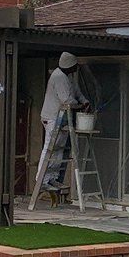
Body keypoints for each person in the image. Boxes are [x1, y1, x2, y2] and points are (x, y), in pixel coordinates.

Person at [39, 52, 89, 193]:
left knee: (59, 149)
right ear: (69, 66)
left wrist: (84, 101)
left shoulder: (69, 76)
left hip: (63, 117)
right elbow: (66, 99)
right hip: (53, 116)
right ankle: (42, 179)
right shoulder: (58, 77)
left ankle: (52, 177)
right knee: (50, 148)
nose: (76, 69)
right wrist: (79, 106)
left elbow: (76, 91)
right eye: (74, 67)